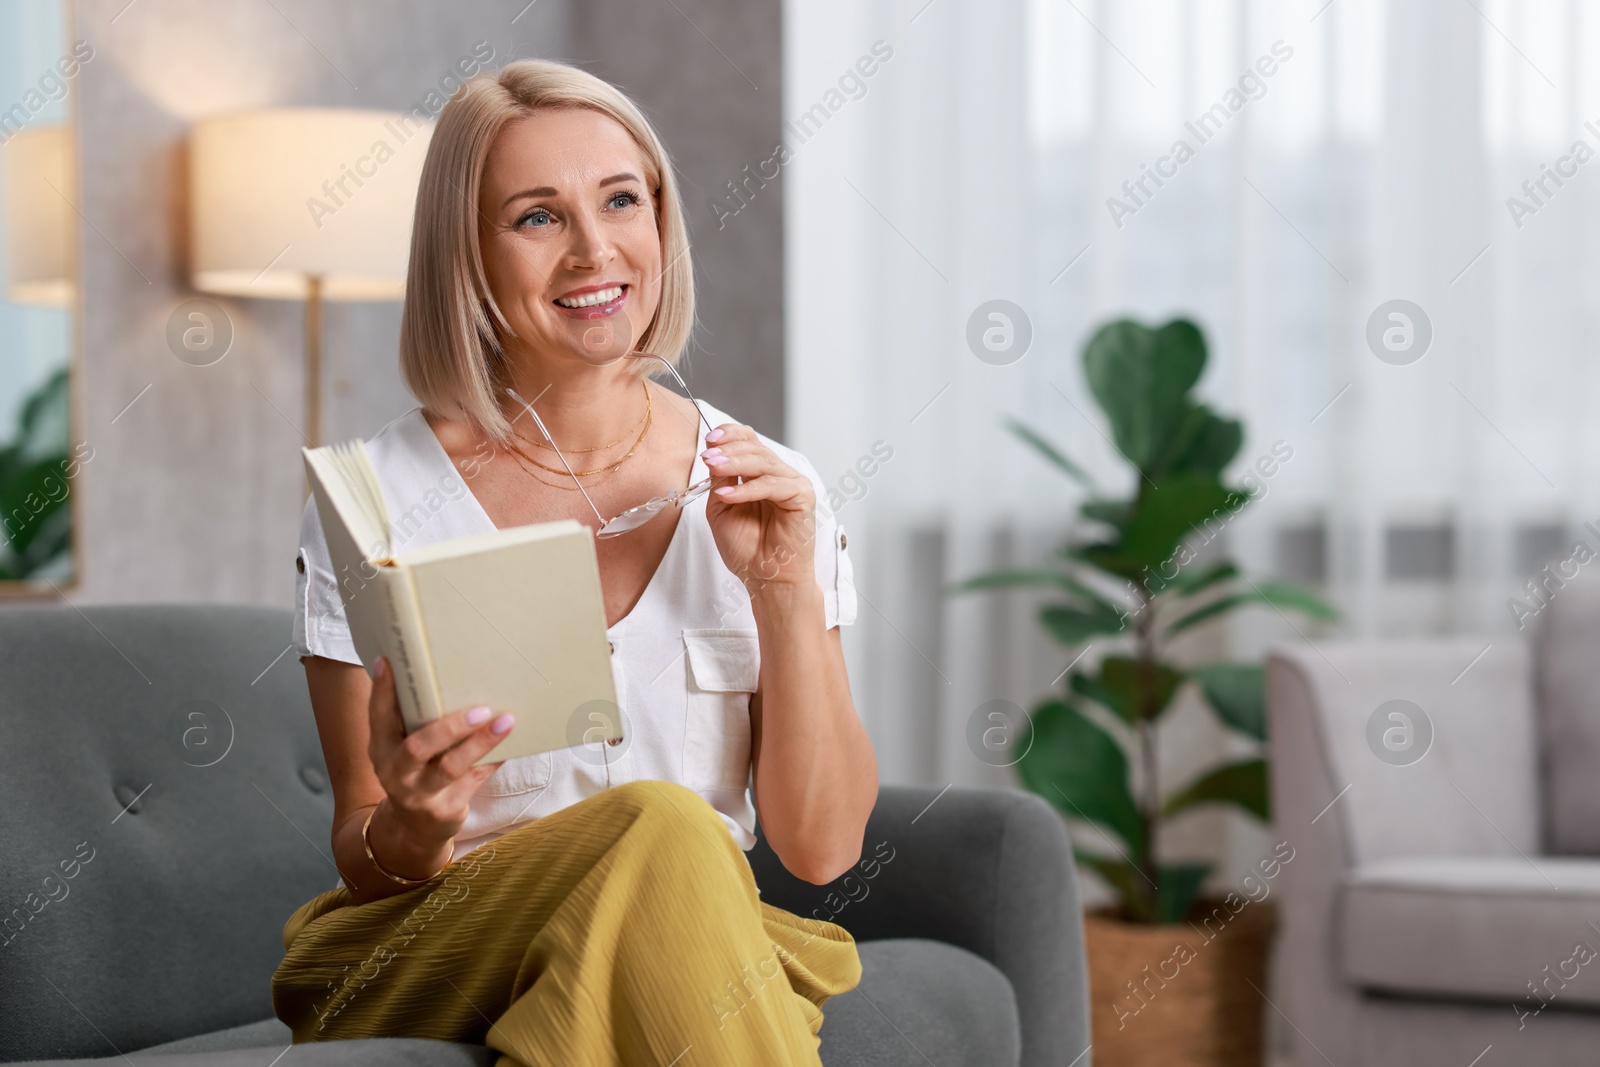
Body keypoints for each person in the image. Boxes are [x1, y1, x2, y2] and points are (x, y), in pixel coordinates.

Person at [270, 58, 878, 1067]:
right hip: (435, 940)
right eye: (537, 217)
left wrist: (781, 586)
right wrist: (418, 818)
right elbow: (366, 850)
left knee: (654, 890)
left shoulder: (769, 488)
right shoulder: (377, 498)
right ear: (467, 251)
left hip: (697, 928)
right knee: (663, 826)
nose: (596, 250)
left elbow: (820, 848)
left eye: (621, 199)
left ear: (660, 217)